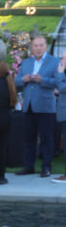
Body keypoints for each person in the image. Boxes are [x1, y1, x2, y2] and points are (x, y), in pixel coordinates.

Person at [14, 34, 59, 177]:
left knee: (46, 138)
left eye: (41, 45)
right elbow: (16, 82)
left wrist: (43, 80)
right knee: (29, 138)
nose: (38, 48)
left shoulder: (54, 61)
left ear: (45, 46)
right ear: (31, 48)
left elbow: (58, 82)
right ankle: (29, 166)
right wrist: (24, 79)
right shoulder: (26, 62)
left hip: (45, 105)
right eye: (36, 46)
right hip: (28, 106)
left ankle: (46, 167)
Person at [53, 50, 66, 183]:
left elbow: (62, 87)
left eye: (63, 58)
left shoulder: (62, 72)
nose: (61, 61)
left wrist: (60, 73)